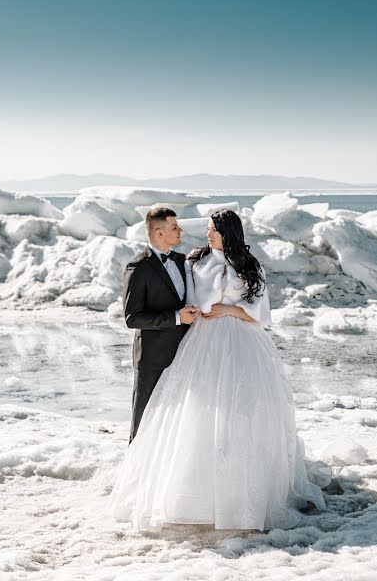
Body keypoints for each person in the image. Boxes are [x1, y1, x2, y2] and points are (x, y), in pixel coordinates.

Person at [112, 209, 326, 531]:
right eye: (209, 228)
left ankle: (245, 487)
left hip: (243, 343)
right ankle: (193, 488)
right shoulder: (195, 261)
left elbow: (261, 315)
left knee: (242, 409)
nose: (207, 234)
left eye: (213, 229)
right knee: (197, 413)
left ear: (227, 233)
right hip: (202, 343)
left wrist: (226, 309)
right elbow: (179, 299)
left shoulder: (250, 266)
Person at [122, 207, 200, 443]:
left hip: (185, 353)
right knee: (145, 418)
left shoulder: (182, 261)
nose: (180, 230)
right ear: (159, 232)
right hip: (153, 358)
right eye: (174, 227)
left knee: (179, 418)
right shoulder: (138, 268)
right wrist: (176, 317)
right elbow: (132, 318)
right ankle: (135, 474)